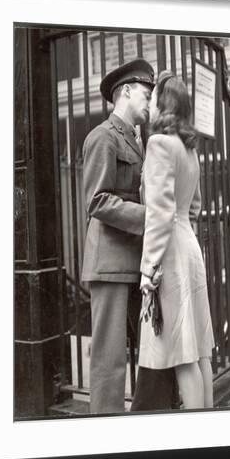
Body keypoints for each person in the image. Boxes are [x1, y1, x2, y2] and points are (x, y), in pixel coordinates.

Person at [137, 70, 215, 409]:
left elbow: (158, 213)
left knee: (182, 351)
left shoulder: (159, 144)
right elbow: (193, 207)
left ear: (163, 104)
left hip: (169, 251)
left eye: (154, 99)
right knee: (199, 349)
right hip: (189, 246)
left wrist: (148, 268)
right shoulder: (188, 149)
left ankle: (198, 438)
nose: (151, 106)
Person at [81, 58, 155, 414]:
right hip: (109, 262)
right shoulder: (102, 137)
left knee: (146, 352)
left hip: (131, 259)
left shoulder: (137, 141)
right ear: (125, 92)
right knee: (109, 363)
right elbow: (96, 200)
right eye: (145, 93)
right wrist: (150, 217)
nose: (150, 102)